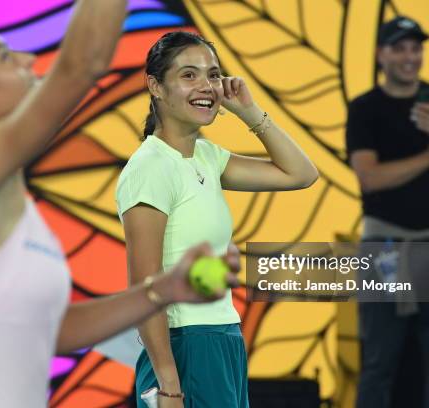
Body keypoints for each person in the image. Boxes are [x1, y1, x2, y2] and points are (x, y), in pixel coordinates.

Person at [0, 1, 241, 406]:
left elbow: (53, 331)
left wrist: (164, 289)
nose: (26, 57)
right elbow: (81, 65)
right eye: (3, 56)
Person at [117, 31, 319, 407]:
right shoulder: (149, 168)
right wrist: (169, 386)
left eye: (213, 74)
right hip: (185, 346)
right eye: (189, 75)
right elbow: (144, 288)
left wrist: (248, 111)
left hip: (223, 339)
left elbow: (301, 174)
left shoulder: (208, 157)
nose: (206, 85)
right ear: (155, 86)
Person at [346, 17, 429, 408]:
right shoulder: (365, 108)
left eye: (415, 48)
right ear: (381, 54)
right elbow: (370, 178)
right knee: (379, 362)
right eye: (399, 48)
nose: (409, 57)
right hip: (384, 248)